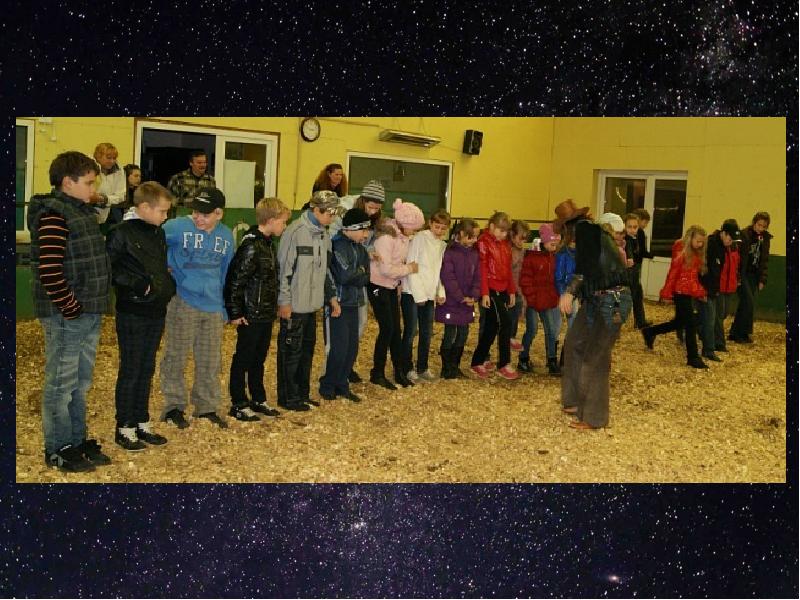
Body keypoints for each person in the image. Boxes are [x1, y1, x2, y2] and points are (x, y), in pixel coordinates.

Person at [28, 151, 112, 471]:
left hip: (88, 311)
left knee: (80, 382)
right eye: (89, 183)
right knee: (61, 385)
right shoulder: (53, 215)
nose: (93, 188)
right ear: (67, 182)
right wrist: (70, 307)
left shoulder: (81, 212)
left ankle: (76, 440)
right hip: (67, 314)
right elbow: (50, 271)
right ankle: (58, 447)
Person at [106, 181, 176, 450]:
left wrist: (164, 284)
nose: (165, 216)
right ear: (144, 207)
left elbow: (157, 265)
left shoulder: (158, 233)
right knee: (131, 368)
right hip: (133, 310)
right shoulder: (120, 233)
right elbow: (109, 269)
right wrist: (136, 284)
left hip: (156, 309)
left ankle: (141, 420)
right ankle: (124, 426)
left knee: (147, 367)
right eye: (162, 211)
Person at [159, 187, 234, 429]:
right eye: (195, 212)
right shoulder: (176, 227)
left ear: (219, 213)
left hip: (213, 304)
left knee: (210, 359)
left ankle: (206, 407)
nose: (198, 218)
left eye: (205, 214)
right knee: (176, 355)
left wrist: (224, 307)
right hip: (183, 300)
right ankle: (173, 406)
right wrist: (162, 269)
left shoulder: (226, 236)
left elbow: (226, 272)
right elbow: (152, 242)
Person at [556, 199, 632, 430]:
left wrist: (569, 293)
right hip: (597, 299)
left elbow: (585, 268)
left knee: (595, 358)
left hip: (611, 301)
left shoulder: (587, 231)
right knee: (574, 343)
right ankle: (573, 401)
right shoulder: (593, 234)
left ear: (568, 225)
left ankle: (593, 417)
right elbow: (592, 271)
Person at [224, 197, 290, 422]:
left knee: (258, 358)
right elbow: (236, 280)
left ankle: (258, 398)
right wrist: (236, 312)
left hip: (265, 313)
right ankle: (238, 402)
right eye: (283, 222)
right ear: (270, 220)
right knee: (243, 358)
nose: (284, 226)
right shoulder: (251, 245)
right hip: (250, 314)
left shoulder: (268, 243)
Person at [276, 191, 341, 411]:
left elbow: (325, 271)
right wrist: (284, 301)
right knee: (291, 353)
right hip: (294, 305)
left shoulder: (324, 235)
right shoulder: (295, 232)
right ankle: (288, 398)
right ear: (316, 210)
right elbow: (284, 270)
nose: (332, 218)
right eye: (329, 214)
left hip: (312, 305)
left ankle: (302, 394)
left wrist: (331, 297)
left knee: (306, 351)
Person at [327, 179, 385, 384]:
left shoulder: (371, 221)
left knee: (358, 326)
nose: (373, 211)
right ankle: (331, 373)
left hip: (356, 283)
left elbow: (365, 267)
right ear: (363, 200)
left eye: (377, 208)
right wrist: (359, 267)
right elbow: (334, 244)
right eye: (371, 206)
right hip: (339, 282)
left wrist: (367, 253)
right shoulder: (344, 212)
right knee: (337, 334)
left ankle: (346, 367)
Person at [368, 198, 423, 390]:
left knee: (396, 330)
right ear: (404, 224)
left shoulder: (402, 238)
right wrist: (409, 269)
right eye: (413, 229)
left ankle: (398, 371)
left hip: (391, 286)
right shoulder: (386, 238)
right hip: (378, 285)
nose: (413, 232)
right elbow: (386, 269)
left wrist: (398, 285)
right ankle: (377, 372)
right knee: (387, 329)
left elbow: (396, 265)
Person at [319, 208, 372, 401]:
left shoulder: (361, 249)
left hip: (354, 303)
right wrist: (359, 272)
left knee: (351, 348)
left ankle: (342, 384)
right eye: (363, 230)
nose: (366, 235)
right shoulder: (337, 246)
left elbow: (367, 277)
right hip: (338, 304)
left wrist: (358, 273)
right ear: (351, 228)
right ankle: (328, 385)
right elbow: (343, 275)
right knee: (338, 348)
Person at [641, 225, 709, 369]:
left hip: (688, 291)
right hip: (680, 291)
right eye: (698, 241)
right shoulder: (681, 251)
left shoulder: (696, 252)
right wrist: (666, 293)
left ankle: (650, 331)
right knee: (690, 324)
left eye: (702, 242)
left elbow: (693, 277)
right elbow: (673, 273)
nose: (700, 244)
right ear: (690, 238)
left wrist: (700, 292)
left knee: (679, 322)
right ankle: (693, 357)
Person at [400, 209, 450, 383]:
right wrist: (419, 295)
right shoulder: (420, 238)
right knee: (411, 331)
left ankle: (422, 367)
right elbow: (412, 266)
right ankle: (406, 368)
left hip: (428, 294)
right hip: (412, 292)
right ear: (430, 224)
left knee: (427, 332)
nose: (439, 231)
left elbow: (439, 271)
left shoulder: (442, 245)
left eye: (443, 228)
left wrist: (440, 291)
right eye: (437, 227)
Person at [470, 211, 519, 380]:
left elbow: (508, 270)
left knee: (492, 326)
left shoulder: (505, 245)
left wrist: (511, 290)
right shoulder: (483, 243)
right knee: (505, 322)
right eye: (500, 230)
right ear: (491, 226)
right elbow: (482, 270)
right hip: (490, 289)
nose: (503, 234)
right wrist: (484, 293)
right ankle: (504, 364)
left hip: (502, 288)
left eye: (506, 232)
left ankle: (478, 361)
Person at [436, 219, 481, 379]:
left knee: (463, 333)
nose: (474, 240)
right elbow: (448, 277)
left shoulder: (474, 254)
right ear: (461, 234)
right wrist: (461, 297)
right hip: (452, 302)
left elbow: (478, 277)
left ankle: (455, 366)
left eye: (476, 237)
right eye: (471, 237)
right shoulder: (450, 252)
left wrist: (474, 296)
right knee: (450, 333)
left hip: (467, 302)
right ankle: (446, 367)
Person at [518, 223, 563, 375]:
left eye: (556, 244)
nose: (554, 247)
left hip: (547, 300)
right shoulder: (532, 257)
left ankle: (552, 360)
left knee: (551, 330)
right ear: (544, 242)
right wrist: (531, 297)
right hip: (534, 301)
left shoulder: (553, 257)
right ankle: (523, 358)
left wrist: (555, 295)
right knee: (532, 330)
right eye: (552, 244)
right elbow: (525, 280)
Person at [699, 219, 741, 360]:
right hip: (705, 288)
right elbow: (706, 269)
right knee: (710, 319)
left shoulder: (723, 246)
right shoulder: (710, 244)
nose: (731, 242)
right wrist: (704, 289)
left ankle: (706, 344)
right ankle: (709, 349)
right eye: (730, 238)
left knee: (711, 317)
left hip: (714, 288)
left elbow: (718, 271)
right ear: (723, 233)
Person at [729, 212, 772, 344]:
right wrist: (737, 276)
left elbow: (764, 260)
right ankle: (741, 332)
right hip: (743, 273)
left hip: (754, 275)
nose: (761, 228)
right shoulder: (745, 235)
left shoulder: (765, 238)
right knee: (748, 302)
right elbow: (737, 256)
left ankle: (737, 332)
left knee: (745, 304)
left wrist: (762, 279)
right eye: (759, 225)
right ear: (754, 222)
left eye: (764, 226)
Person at [623, 212, 651, 329]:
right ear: (624, 226)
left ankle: (640, 321)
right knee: (628, 297)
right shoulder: (625, 239)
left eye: (635, 227)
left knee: (637, 295)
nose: (632, 230)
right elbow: (629, 253)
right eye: (629, 227)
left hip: (634, 271)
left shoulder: (636, 237)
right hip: (627, 273)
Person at [508, 220, 530, 352]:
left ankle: (511, 336)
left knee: (516, 311)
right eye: (520, 238)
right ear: (512, 235)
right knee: (513, 309)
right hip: (509, 288)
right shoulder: (508, 251)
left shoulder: (522, 251)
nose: (522, 242)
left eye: (525, 239)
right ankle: (509, 336)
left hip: (518, 287)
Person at [92, 142, 127, 225]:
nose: (112, 161)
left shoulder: (119, 171)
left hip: (107, 214)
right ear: (98, 156)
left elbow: (121, 196)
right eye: (108, 158)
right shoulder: (89, 167)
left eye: (114, 158)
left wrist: (104, 199)